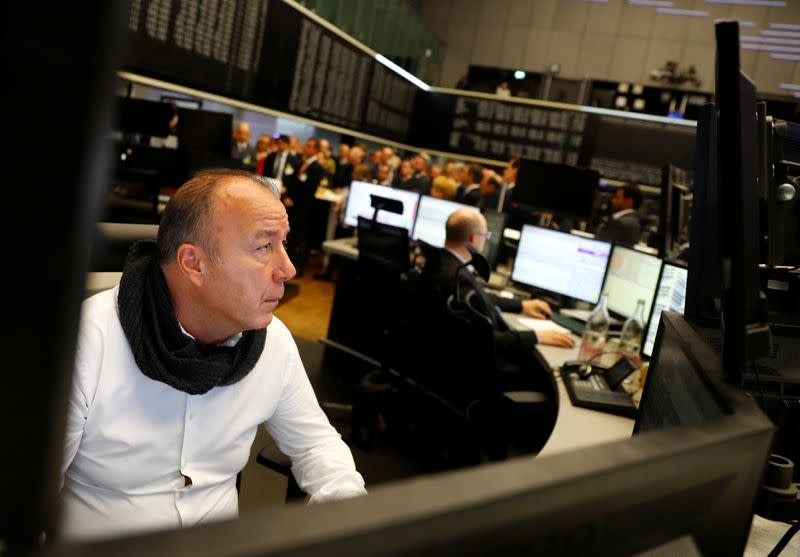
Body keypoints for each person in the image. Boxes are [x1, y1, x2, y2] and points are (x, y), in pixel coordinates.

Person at [61, 169, 366, 541]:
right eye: (263, 247)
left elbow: (317, 446)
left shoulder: (272, 342)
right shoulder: (88, 341)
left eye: (284, 244)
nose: (288, 269)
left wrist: (352, 522)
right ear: (194, 263)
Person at [425, 208, 575, 350]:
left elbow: (479, 298)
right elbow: (483, 341)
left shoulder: (441, 262)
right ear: (473, 238)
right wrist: (536, 336)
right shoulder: (458, 278)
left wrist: (521, 305)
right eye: (485, 235)